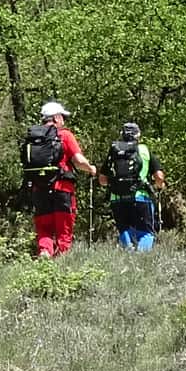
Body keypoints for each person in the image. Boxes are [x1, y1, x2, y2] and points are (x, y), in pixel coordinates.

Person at [24, 101, 98, 260]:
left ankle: (45, 254)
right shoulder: (64, 135)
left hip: (39, 190)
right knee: (63, 230)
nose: (64, 120)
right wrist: (91, 168)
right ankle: (63, 263)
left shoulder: (34, 138)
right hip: (62, 189)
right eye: (63, 116)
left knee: (44, 229)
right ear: (56, 118)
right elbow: (78, 161)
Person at [104, 121, 166, 251]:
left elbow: (102, 179)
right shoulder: (144, 150)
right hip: (140, 197)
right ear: (138, 135)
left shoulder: (114, 150)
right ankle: (141, 258)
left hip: (117, 199)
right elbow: (159, 177)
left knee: (124, 231)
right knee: (146, 233)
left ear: (122, 134)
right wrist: (159, 186)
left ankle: (129, 256)